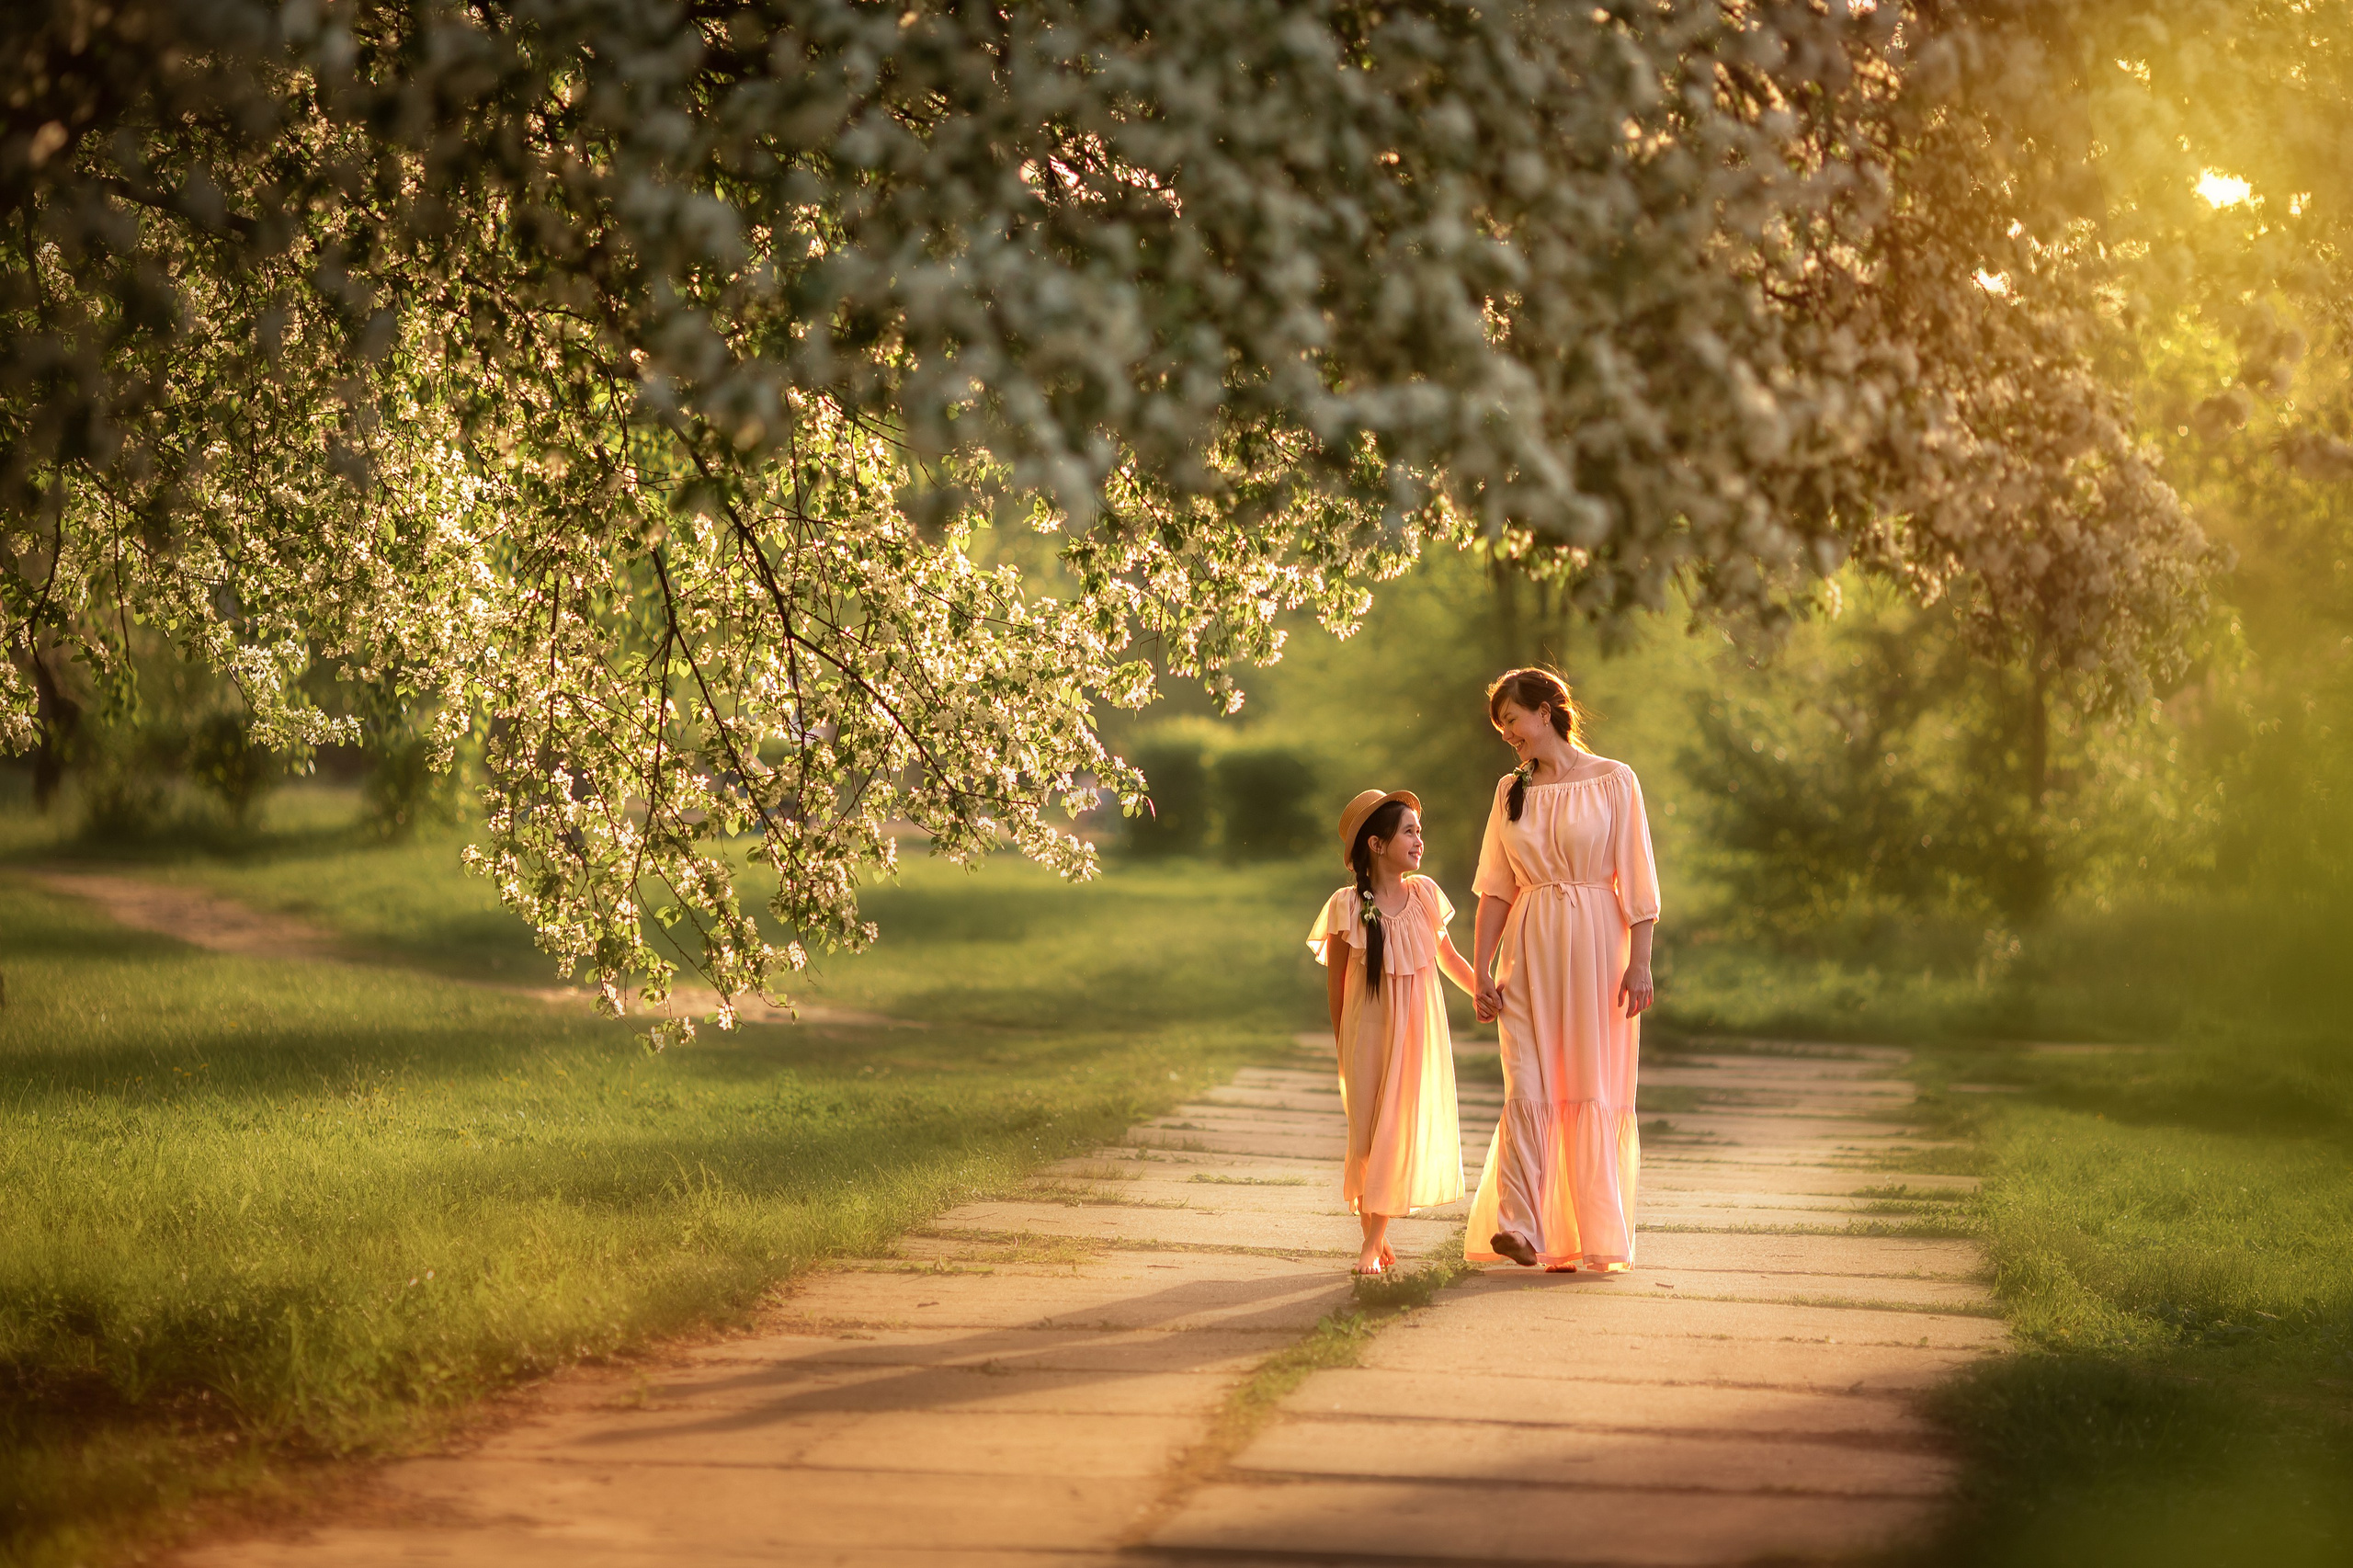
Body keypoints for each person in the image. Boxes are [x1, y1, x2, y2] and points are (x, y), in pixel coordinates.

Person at [1463, 668, 1660, 1272]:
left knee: (1588, 1086)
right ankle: (1518, 1225)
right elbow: (1495, 890)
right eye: (1501, 726)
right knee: (1526, 1081)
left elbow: (1638, 881)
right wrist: (1481, 969)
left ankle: (1583, 1235)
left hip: (1600, 950)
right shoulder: (1509, 790)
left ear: (1546, 711)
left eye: (1512, 720)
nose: (1507, 735)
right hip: (1528, 949)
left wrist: (1641, 965)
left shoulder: (1614, 780)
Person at [1306, 790, 1479, 1276]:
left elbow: (1448, 959)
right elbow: (1337, 987)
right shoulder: (1347, 905)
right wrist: (1343, 1044)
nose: (1419, 840)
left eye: (1419, 831)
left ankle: (1371, 1243)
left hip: (1416, 1036)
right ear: (1378, 845)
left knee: (1394, 1132)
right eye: (1409, 831)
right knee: (1366, 1137)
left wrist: (1481, 990)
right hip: (1368, 1035)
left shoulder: (1423, 895)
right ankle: (1375, 1238)